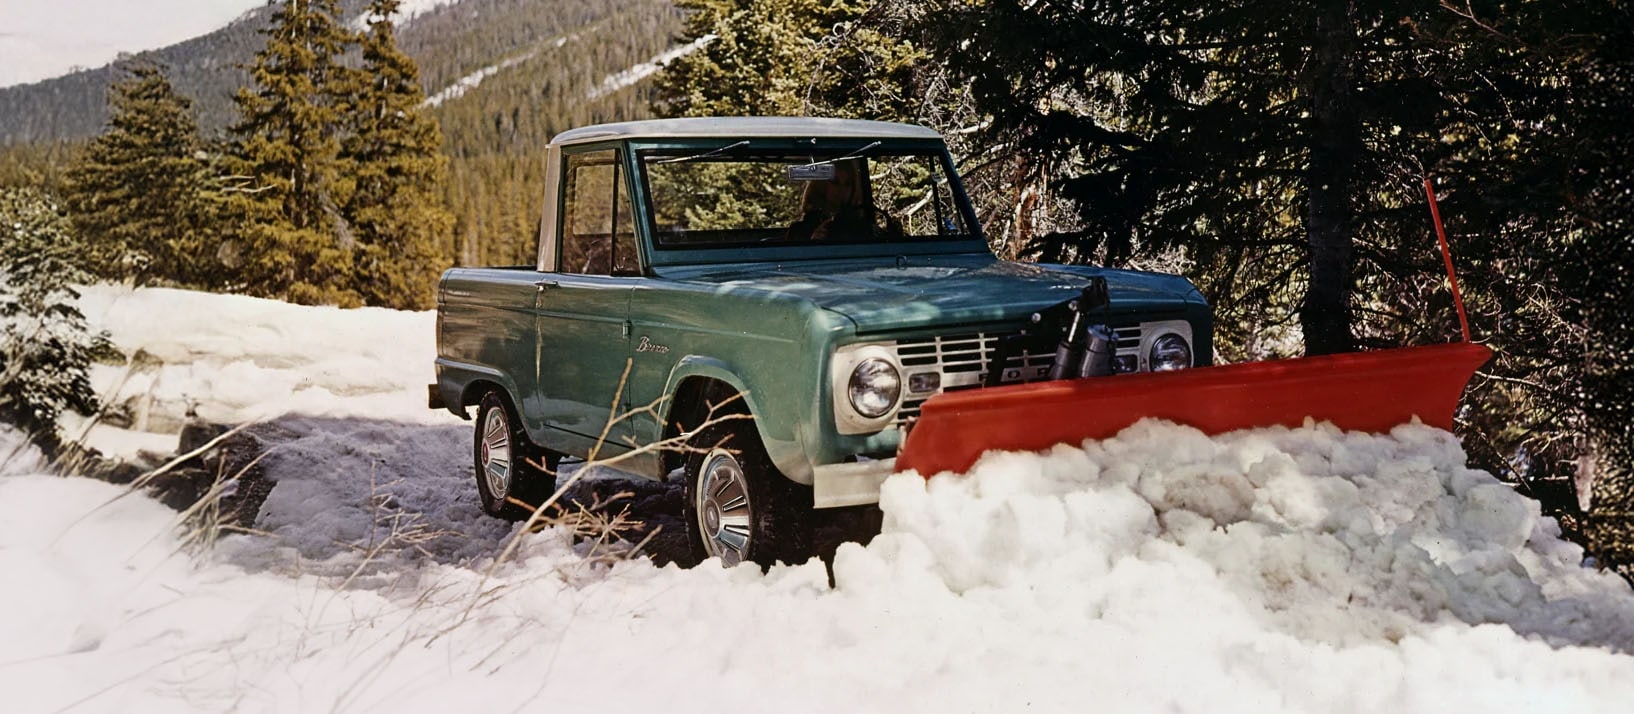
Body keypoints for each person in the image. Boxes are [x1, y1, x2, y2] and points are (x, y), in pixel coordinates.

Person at [787, 159, 880, 241]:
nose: (841, 189)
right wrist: (813, 243)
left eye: (847, 184)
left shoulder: (860, 227)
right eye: (835, 182)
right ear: (820, 185)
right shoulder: (799, 230)